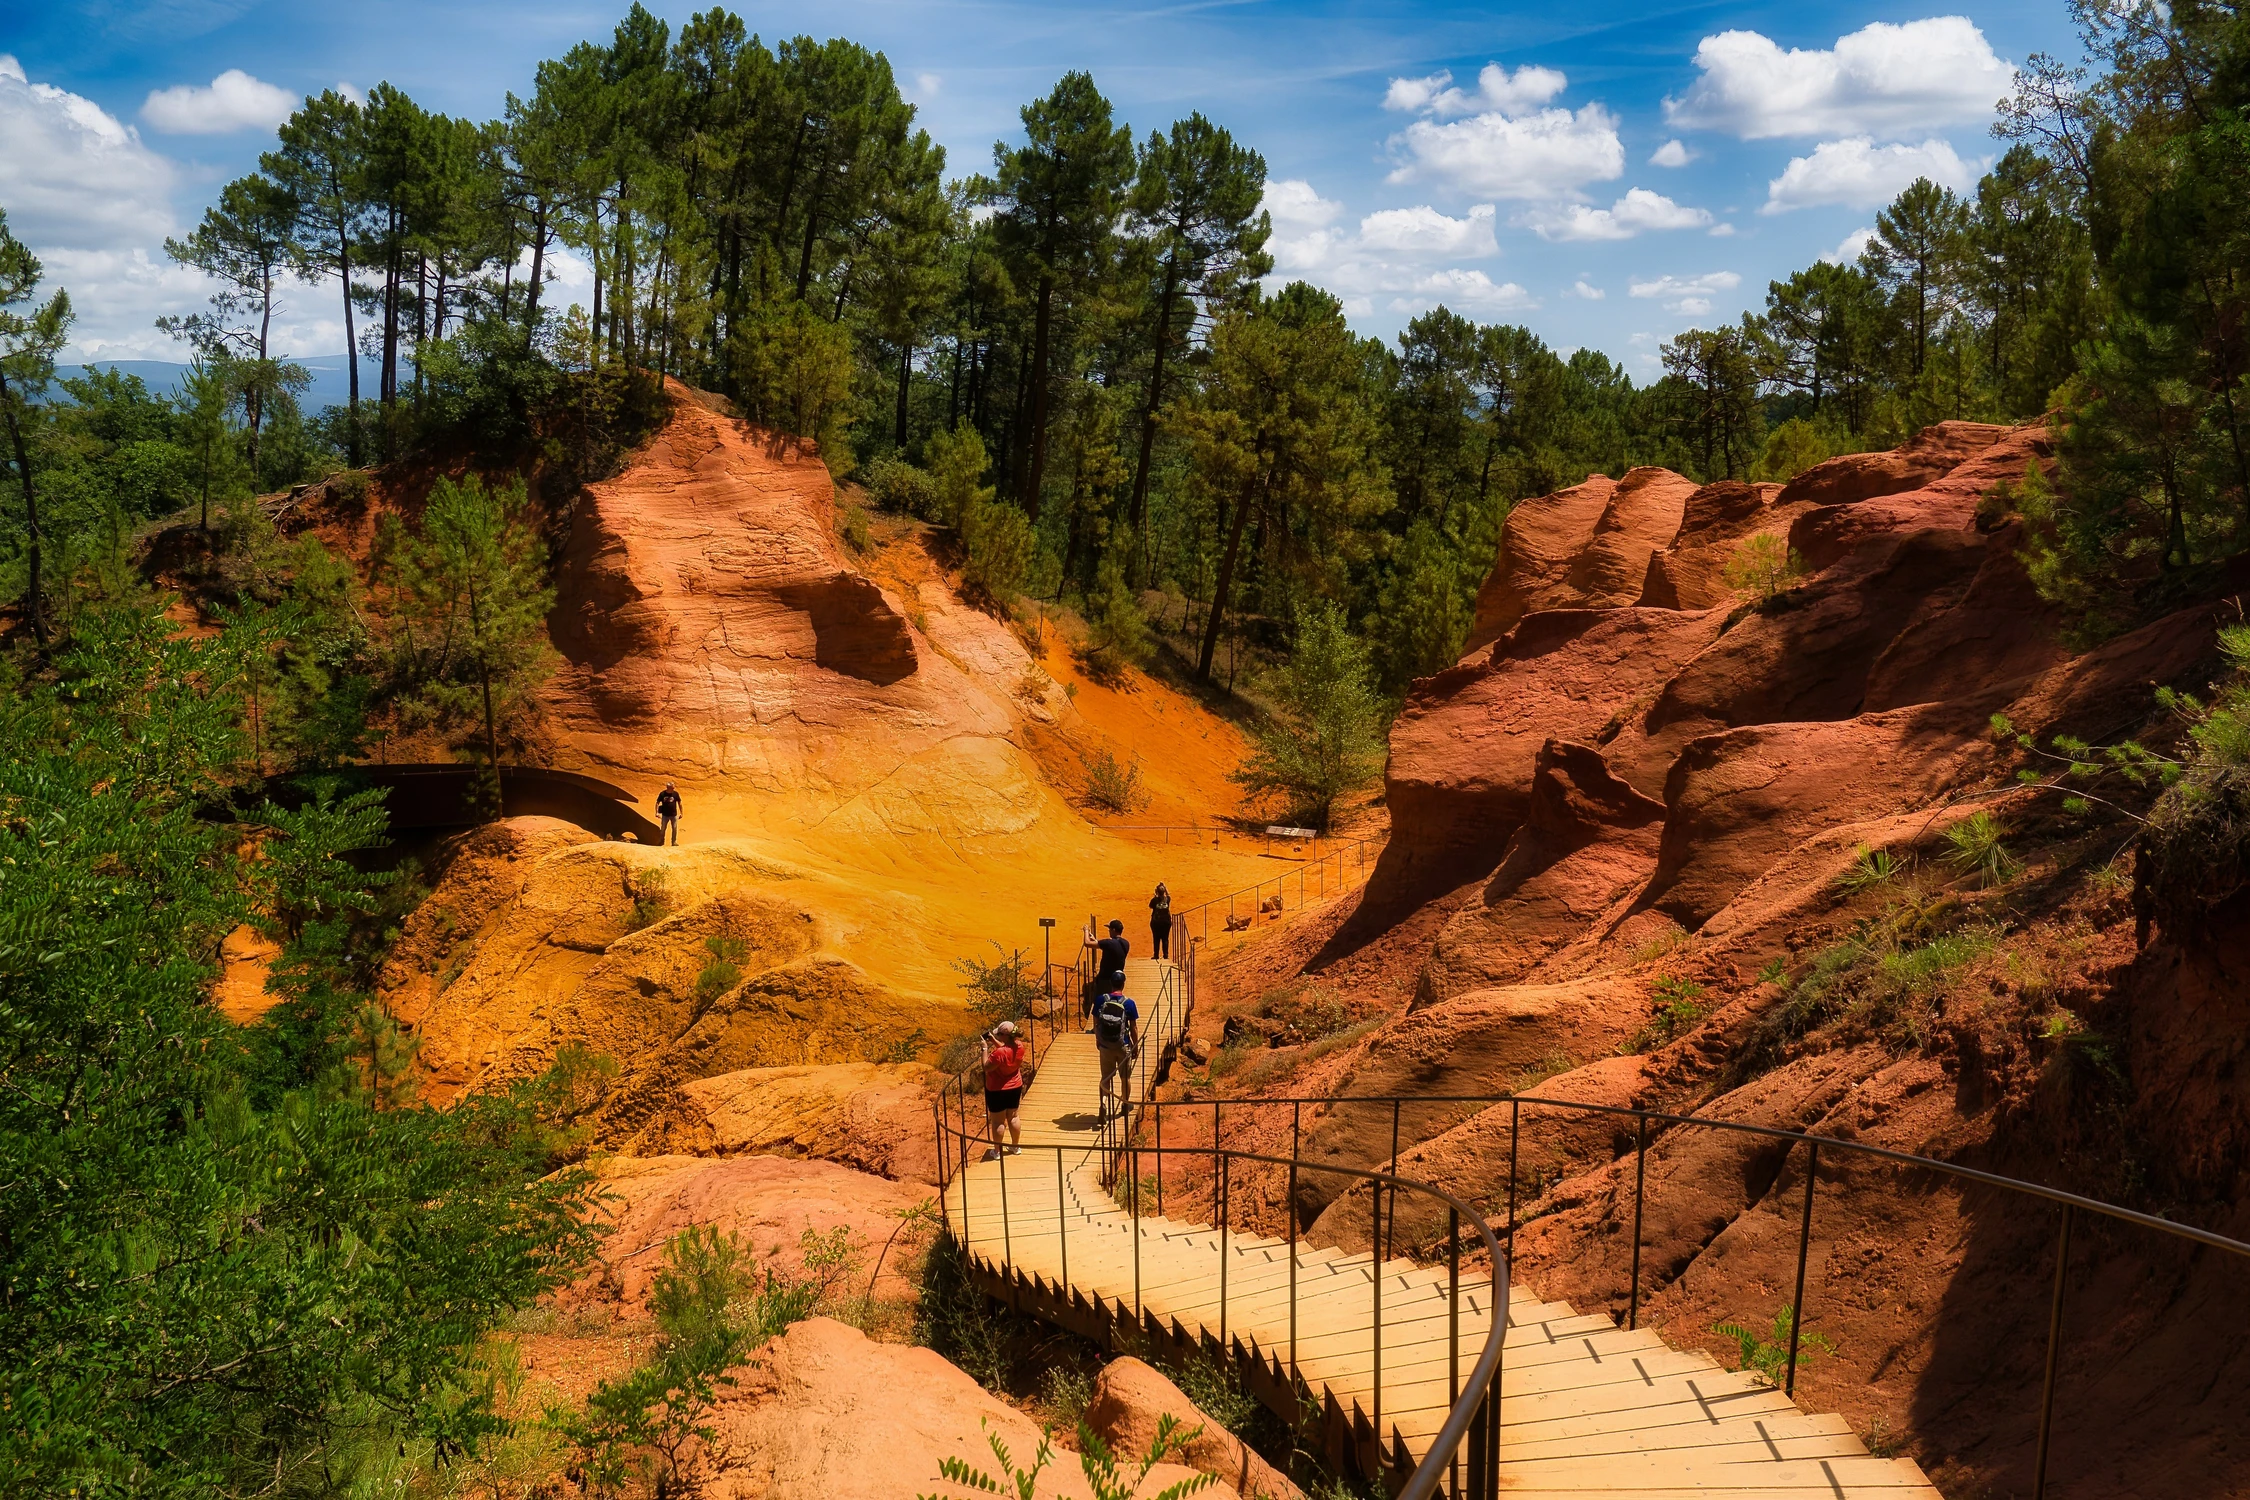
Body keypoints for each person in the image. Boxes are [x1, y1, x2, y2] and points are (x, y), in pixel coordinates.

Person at [1091, 985, 1140, 1122]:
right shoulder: (1129, 1003)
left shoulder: (1101, 999)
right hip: (1122, 1046)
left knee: (1106, 1077)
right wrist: (1135, 1046)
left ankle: (1103, 1104)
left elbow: (1095, 1021)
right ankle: (1125, 1104)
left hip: (1105, 1045)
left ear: (1111, 984)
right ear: (1123, 984)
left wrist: (1098, 1039)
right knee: (1125, 1077)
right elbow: (1134, 1027)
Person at [981, 1020, 1026, 1156]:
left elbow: (986, 1067)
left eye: (999, 1034)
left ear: (1005, 1036)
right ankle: (1015, 1147)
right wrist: (994, 1040)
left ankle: (997, 1151)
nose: (998, 1036)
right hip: (1015, 1087)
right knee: (1013, 1117)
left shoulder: (998, 1054)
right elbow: (1006, 1049)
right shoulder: (1019, 1046)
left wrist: (984, 1048)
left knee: (998, 1121)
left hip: (997, 1090)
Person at [1086, 919, 1130, 1029]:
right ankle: (1113, 1025)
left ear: (1114, 930)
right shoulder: (1125, 943)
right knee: (1114, 1003)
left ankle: (1097, 1028)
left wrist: (1086, 931)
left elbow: (1087, 943)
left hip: (1105, 979)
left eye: (1110, 929)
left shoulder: (1109, 943)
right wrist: (1094, 939)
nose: (1109, 931)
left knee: (1100, 1003)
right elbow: (1109, 947)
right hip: (1117, 979)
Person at [1148, 882, 1173, 961]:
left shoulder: (1154, 900)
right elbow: (1168, 896)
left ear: (1157, 891)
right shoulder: (1167, 899)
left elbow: (1150, 906)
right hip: (1166, 922)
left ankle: (1156, 954)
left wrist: (1155, 895)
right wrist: (1166, 890)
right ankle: (1166, 955)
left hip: (1156, 922)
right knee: (1165, 938)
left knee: (1156, 938)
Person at [655, 782, 683, 846]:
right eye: (672, 788)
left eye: (674, 787)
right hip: (665, 815)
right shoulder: (662, 794)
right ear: (668, 788)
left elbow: (680, 803)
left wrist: (681, 813)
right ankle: (661, 841)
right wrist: (656, 812)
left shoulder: (676, 794)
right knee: (663, 829)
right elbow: (657, 803)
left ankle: (674, 842)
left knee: (674, 828)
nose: (674, 789)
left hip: (674, 815)